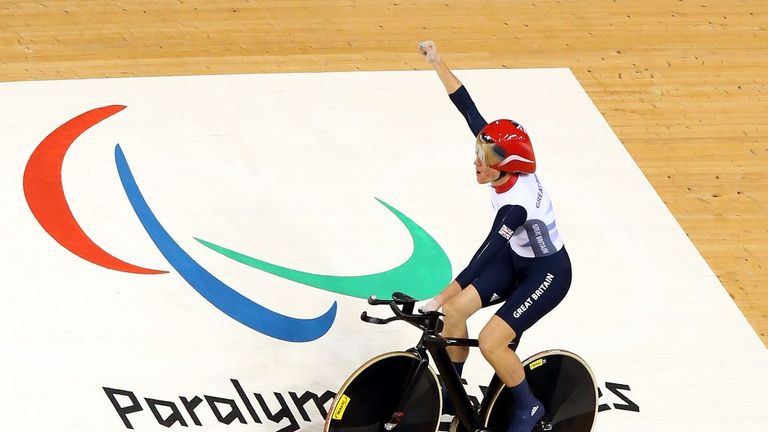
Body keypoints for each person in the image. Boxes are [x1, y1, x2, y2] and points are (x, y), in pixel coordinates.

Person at [417, 40, 573, 432]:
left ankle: (528, 406)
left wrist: (437, 297)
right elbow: (468, 109)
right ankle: (453, 391)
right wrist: (439, 63)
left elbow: (482, 259)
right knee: (454, 314)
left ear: (505, 167)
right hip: (518, 259)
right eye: (478, 156)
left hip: (546, 275)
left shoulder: (515, 207)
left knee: (490, 341)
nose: (476, 163)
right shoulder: (505, 161)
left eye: (483, 161)